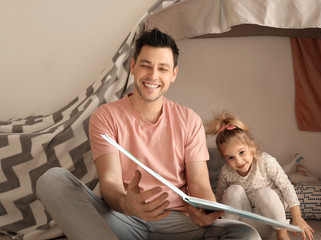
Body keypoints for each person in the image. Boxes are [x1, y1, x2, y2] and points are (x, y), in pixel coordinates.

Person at [36, 28, 261, 240]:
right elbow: (110, 184)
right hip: (123, 220)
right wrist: (126, 203)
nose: (153, 75)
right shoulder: (105, 116)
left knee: (245, 234)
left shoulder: (189, 120)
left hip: (178, 222)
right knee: (52, 180)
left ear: (173, 74)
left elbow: (200, 186)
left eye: (163, 68)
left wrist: (207, 210)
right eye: (146, 65)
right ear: (133, 66)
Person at [205, 110, 314, 240]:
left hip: (267, 222)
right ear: (224, 158)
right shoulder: (226, 171)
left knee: (264, 192)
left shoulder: (266, 161)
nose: (238, 161)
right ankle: (229, 232)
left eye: (241, 152)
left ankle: (282, 235)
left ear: (251, 146)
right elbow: (219, 197)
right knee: (232, 191)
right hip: (244, 224)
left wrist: (297, 217)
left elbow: (286, 187)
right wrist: (210, 217)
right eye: (230, 157)